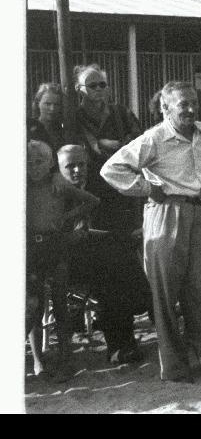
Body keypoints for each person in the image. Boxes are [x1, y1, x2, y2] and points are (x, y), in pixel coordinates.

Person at [100, 81, 201, 383]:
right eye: (182, 105)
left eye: (193, 102)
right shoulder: (154, 139)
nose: (190, 109)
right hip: (166, 215)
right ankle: (176, 367)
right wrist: (147, 188)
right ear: (165, 108)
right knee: (165, 293)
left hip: (198, 213)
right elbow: (112, 169)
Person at [56, 144, 150, 365]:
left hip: (101, 257)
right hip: (66, 262)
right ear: (58, 168)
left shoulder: (101, 189)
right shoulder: (54, 194)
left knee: (113, 266)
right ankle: (137, 311)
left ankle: (121, 346)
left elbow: (119, 222)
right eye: (71, 166)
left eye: (82, 164)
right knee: (115, 266)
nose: (78, 170)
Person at [26, 140, 100, 381]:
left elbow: (92, 201)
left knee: (60, 303)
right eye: (30, 161)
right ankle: (38, 360)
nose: (34, 166)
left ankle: (66, 359)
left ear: (50, 165)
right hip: (32, 251)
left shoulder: (57, 185)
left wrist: (67, 216)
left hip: (55, 248)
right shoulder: (23, 184)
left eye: (40, 162)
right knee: (35, 306)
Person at [75, 64, 143, 234]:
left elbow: (139, 141)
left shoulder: (120, 113)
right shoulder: (73, 117)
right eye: (92, 85)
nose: (98, 89)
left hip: (121, 187)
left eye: (102, 84)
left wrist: (116, 145)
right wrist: (99, 143)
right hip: (90, 188)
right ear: (79, 89)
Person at [28, 83, 69, 159]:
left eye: (56, 104)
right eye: (47, 104)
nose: (52, 109)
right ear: (38, 103)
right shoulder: (29, 129)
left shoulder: (63, 131)